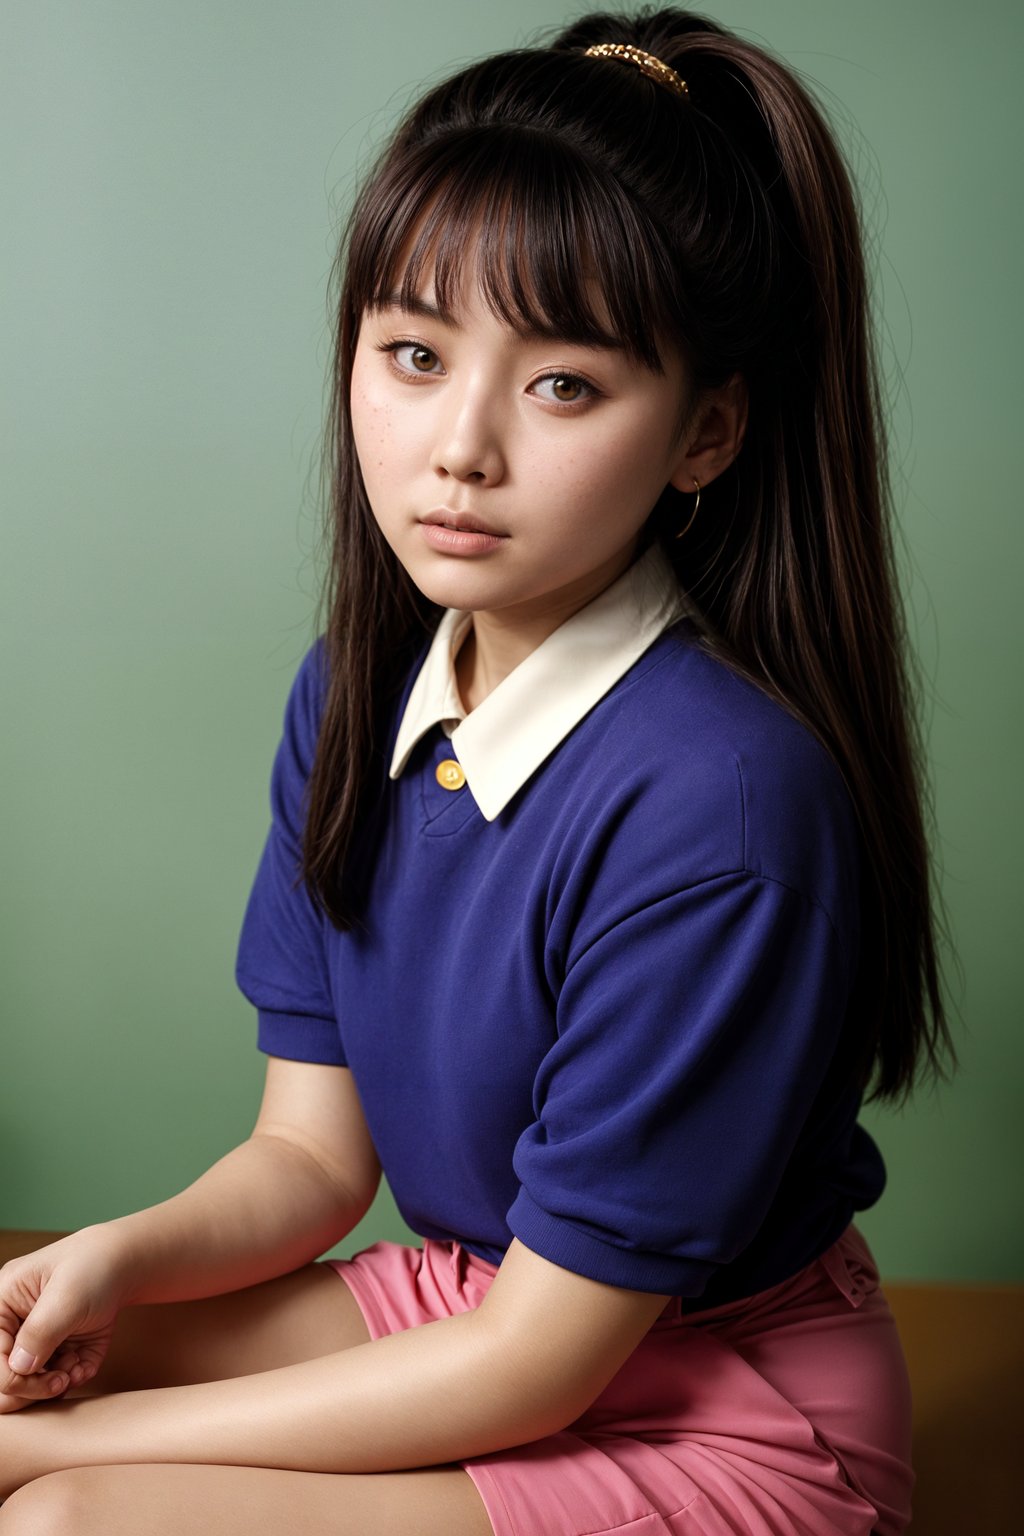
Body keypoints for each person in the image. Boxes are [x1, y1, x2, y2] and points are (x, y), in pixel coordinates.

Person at [0, 7, 957, 1533]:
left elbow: (537, 1368)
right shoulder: (357, 695)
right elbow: (310, 1162)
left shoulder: (721, 803)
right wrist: (114, 1258)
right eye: (413, 354)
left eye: (563, 384)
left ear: (705, 433)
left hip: (719, 1416)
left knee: (67, 1518)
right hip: (476, 1309)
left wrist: (68, 1458)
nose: (459, 446)